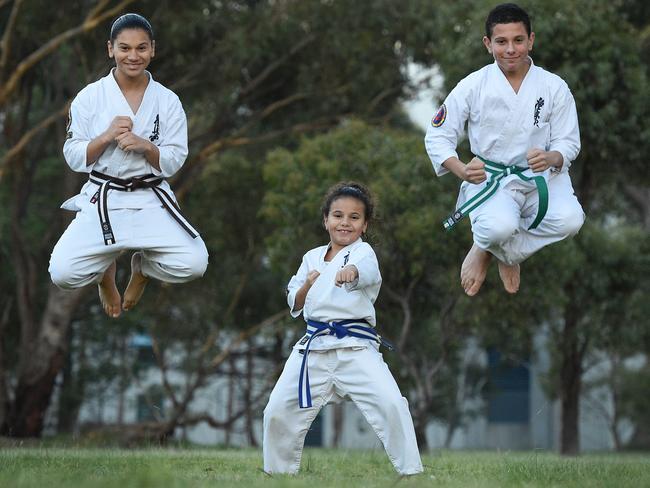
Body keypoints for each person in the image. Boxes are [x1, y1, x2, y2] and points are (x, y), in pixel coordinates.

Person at [49, 13, 208, 318]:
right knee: (62, 273)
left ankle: (143, 268)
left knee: (194, 264)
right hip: (104, 198)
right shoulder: (90, 98)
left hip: (150, 198)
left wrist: (147, 147)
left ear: (152, 50)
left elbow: (174, 159)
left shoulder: (168, 101)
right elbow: (73, 155)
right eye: (124, 48)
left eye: (141, 48)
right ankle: (105, 273)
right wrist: (106, 136)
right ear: (110, 49)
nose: (133, 56)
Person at [263, 182, 423, 476]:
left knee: (391, 404)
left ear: (364, 225)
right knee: (276, 409)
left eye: (354, 217)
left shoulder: (364, 253)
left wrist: (352, 273)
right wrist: (309, 284)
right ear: (326, 220)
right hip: (312, 349)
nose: (345, 223)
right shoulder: (311, 257)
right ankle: (277, 473)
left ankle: (411, 471)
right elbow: (293, 299)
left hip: (355, 348)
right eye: (338, 215)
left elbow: (369, 274)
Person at [424, 3, 584, 296]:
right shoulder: (472, 86)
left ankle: (500, 252)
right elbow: (437, 136)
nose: (510, 49)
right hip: (491, 179)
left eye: (518, 40)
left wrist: (552, 156)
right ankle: (495, 244)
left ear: (531, 40)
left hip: (541, 178)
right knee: (499, 227)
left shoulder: (554, 86)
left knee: (572, 220)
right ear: (488, 44)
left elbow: (569, 141)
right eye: (501, 41)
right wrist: (462, 170)